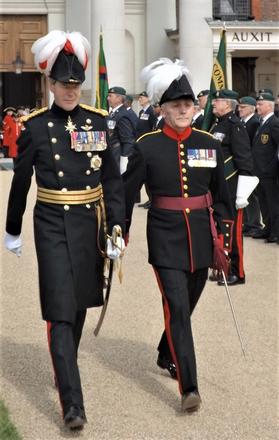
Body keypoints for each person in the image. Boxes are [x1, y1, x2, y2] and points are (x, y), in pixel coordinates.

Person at [4, 30, 125, 430]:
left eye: (75, 85)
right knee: (59, 307)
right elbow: (21, 181)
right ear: (50, 85)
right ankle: (73, 405)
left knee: (78, 304)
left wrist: (118, 225)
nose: (70, 91)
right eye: (63, 84)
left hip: (90, 222)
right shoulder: (35, 126)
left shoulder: (98, 121)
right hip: (52, 222)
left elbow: (112, 180)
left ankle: (63, 364)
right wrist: (12, 229)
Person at [123, 58, 234, 413]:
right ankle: (189, 387)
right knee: (179, 309)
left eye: (188, 104)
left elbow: (222, 198)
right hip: (166, 239)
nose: (184, 110)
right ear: (163, 109)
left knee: (185, 305)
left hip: (202, 238)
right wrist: (118, 231)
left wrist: (224, 241)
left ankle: (163, 350)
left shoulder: (209, 143)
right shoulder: (146, 145)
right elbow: (127, 194)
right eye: (176, 105)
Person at [210, 89, 258, 286]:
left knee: (232, 230)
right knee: (220, 226)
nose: (213, 104)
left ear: (228, 104)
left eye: (217, 100)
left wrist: (243, 191)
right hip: (218, 186)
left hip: (232, 187)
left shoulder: (235, 126)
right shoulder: (217, 124)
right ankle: (223, 266)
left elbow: (244, 159)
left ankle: (237, 272)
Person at [251, 92, 279, 243]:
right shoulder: (262, 123)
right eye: (257, 104)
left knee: (273, 203)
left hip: (270, 172)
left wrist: (272, 167)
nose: (257, 107)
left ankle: (275, 231)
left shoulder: (274, 123)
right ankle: (268, 228)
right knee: (264, 202)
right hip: (260, 171)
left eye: (260, 104)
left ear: (269, 105)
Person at [238, 96, 262, 237]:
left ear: (252, 108)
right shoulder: (243, 121)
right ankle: (248, 222)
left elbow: (253, 145)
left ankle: (254, 223)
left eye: (243, 107)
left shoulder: (254, 122)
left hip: (251, 164)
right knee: (245, 194)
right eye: (239, 107)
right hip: (244, 163)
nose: (240, 109)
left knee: (252, 196)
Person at [107, 86, 136, 174]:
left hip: (118, 154)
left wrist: (124, 159)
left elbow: (128, 140)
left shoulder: (123, 115)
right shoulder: (113, 113)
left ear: (119, 98)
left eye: (110, 96)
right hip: (112, 152)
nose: (108, 98)